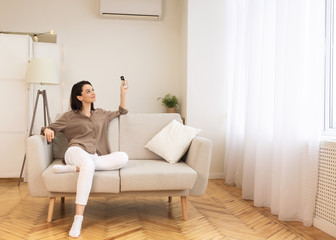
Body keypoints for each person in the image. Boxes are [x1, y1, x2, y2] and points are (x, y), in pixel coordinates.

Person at [41, 79, 129, 238]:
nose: (93, 92)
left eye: (93, 89)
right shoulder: (69, 116)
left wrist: (122, 94)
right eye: (88, 91)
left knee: (123, 157)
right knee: (88, 163)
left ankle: (73, 170)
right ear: (79, 97)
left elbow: (122, 112)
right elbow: (49, 127)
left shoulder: (101, 114)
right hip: (75, 151)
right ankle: (78, 218)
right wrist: (47, 129)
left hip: (93, 155)